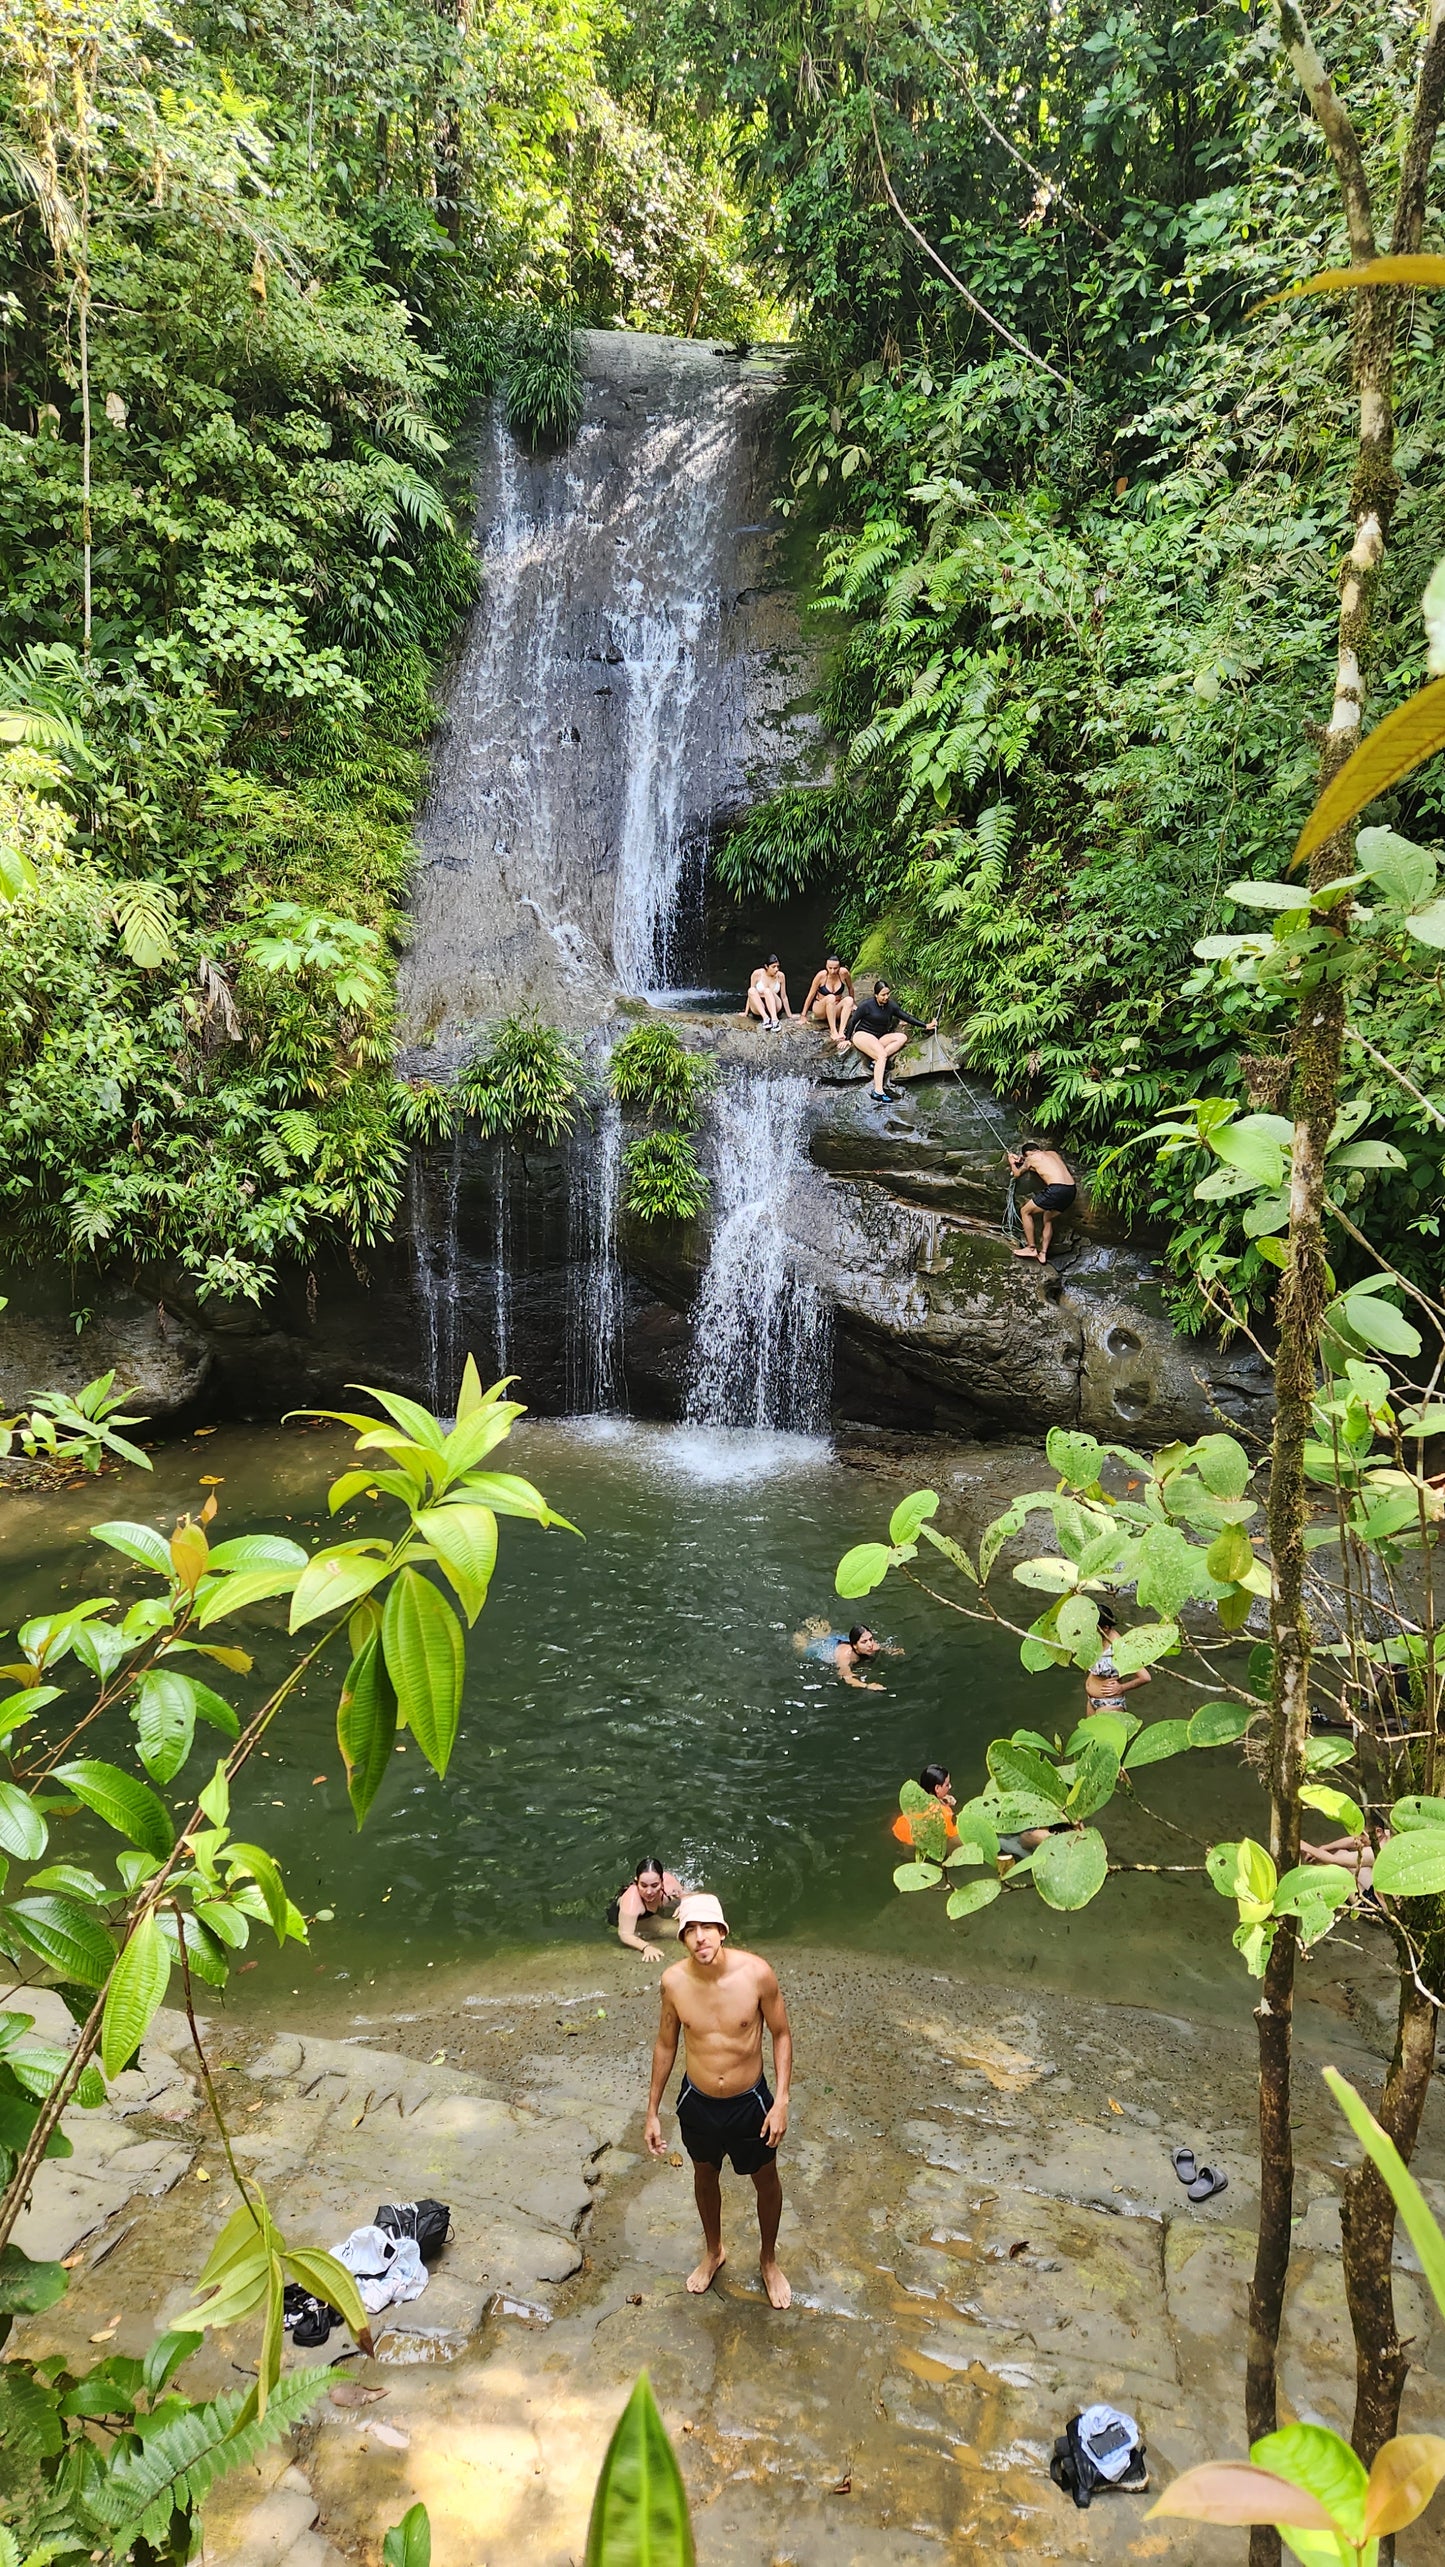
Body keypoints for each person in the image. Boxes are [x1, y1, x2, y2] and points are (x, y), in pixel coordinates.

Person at [644, 1893, 794, 2308]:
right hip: (699, 2100)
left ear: (722, 1931)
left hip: (750, 2101)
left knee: (765, 2179)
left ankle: (768, 2260)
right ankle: (714, 2252)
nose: (698, 1938)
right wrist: (652, 2111)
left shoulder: (757, 1974)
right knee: (704, 2175)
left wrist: (780, 2100)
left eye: (706, 1928)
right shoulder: (673, 1981)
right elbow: (665, 2044)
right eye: (689, 1931)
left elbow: (781, 2033)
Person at [846, 980, 938, 1104]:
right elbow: (853, 1021)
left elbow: (906, 1017)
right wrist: (847, 1039)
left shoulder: (890, 1005)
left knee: (902, 1038)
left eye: (888, 994)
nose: (886, 997)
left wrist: (926, 1025)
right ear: (876, 995)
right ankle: (878, 1091)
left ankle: (876, 1062)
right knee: (882, 1055)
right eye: (883, 995)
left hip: (879, 1038)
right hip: (863, 1035)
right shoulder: (866, 1005)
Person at [1006, 1143, 1078, 1263]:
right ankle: (1043, 1253)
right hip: (1071, 1190)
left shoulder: (1030, 1159)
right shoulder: (1052, 1153)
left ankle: (1031, 1248)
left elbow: (1017, 1174)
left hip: (1056, 1189)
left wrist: (1012, 1162)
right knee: (1048, 1217)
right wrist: (1022, 1160)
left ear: (1026, 1154)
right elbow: (1040, 1165)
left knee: (1025, 1211)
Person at [609, 1856, 686, 1960]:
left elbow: (689, 1897)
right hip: (636, 1919)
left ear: (662, 1881)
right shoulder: (632, 1902)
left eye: (654, 1885)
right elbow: (625, 1934)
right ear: (636, 1882)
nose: (649, 1892)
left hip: (657, 1907)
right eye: (643, 1885)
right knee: (669, 1928)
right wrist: (646, 1947)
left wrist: (684, 1906)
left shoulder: (669, 1882)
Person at [1083, 1610, 1153, 1716]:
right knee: (1088, 1732)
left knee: (1102, 1733)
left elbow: (1145, 1677)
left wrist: (1121, 1687)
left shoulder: (1120, 1647)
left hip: (1109, 1703)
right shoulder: (1097, 1640)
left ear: (1105, 1628)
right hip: (1091, 1700)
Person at [794, 1622, 898, 1691]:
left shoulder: (871, 1646)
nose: (870, 1644)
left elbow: (882, 1647)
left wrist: (892, 1650)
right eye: (864, 1641)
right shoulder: (845, 1657)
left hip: (840, 1640)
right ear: (855, 1646)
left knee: (825, 1633)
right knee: (802, 1648)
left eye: (871, 1639)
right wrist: (867, 1686)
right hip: (825, 1648)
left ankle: (818, 1628)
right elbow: (847, 1677)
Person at [891, 1764, 960, 1844]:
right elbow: (951, 1834)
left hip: (901, 1830)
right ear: (937, 1788)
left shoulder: (916, 1799)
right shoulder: (943, 1812)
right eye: (947, 1785)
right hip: (920, 1842)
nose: (950, 1787)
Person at [801, 955, 856, 1052]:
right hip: (820, 1008)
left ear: (839, 967)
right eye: (830, 968)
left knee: (849, 1000)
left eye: (835, 968)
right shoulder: (821, 975)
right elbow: (811, 994)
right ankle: (833, 1031)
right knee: (831, 997)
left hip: (835, 1008)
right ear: (826, 966)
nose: (832, 971)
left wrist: (854, 1003)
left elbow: (850, 988)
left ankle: (841, 1032)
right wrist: (803, 1015)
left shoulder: (844, 973)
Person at [745, 956, 792, 1029]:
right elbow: (751, 996)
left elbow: (784, 996)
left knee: (767, 991)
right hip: (760, 1008)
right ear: (766, 966)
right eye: (773, 967)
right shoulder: (757, 974)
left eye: (777, 967)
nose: (776, 969)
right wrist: (746, 1013)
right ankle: (766, 1019)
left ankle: (774, 1020)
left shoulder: (781, 976)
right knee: (751, 990)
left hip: (774, 1007)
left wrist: (789, 1015)